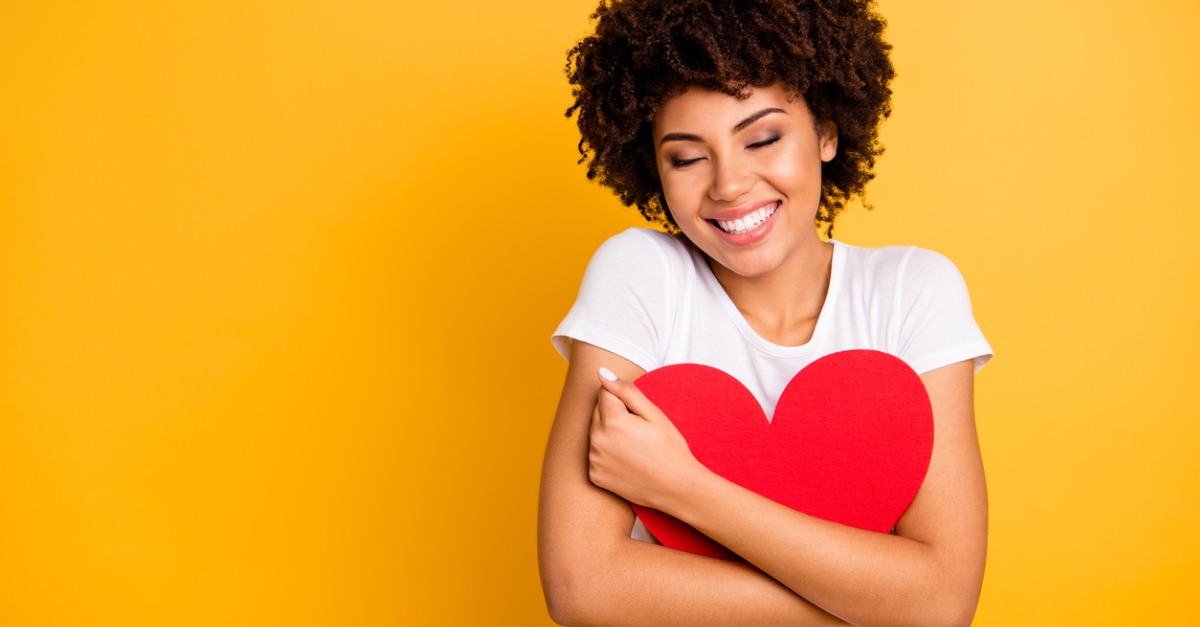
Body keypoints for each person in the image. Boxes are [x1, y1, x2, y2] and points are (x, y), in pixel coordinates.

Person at [538, 0, 993, 624]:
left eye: (762, 138)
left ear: (827, 131)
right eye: (687, 157)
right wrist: (870, 603)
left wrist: (684, 488)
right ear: (654, 166)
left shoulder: (913, 291)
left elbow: (943, 605)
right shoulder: (640, 275)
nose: (728, 185)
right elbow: (580, 586)